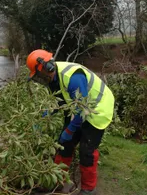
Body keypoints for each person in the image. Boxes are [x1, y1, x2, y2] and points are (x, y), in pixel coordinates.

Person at [26, 49, 115, 195]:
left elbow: (83, 108)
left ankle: (88, 190)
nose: (40, 79)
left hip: (97, 109)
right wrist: (43, 117)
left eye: (40, 75)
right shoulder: (53, 78)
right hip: (77, 107)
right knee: (63, 145)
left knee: (87, 151)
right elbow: (57, 101)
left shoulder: (73, 77)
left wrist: (70, 130)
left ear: (48, 67)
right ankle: (56, 181)